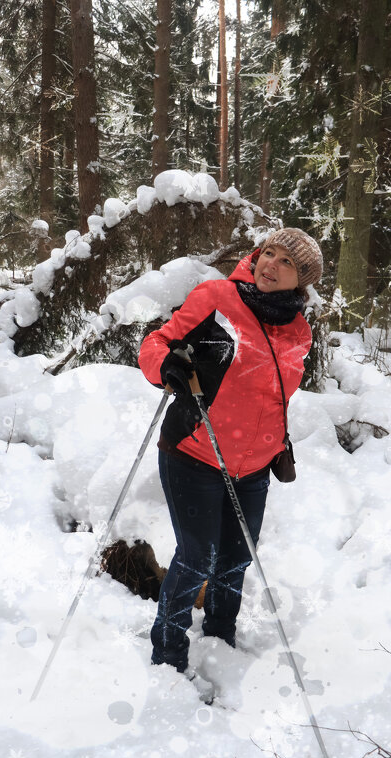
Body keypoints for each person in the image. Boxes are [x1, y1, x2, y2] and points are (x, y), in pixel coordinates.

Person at [138, 228, 323, 673]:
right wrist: (167, 366)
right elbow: (156, 342)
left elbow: (275, 397)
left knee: (237, 556)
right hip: (194, 452)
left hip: (255, 466)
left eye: (286, 263)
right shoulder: (216, 297)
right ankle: (167, 651)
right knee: (197, 556)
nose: (270, 264)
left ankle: (220, 636)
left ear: (300, 281)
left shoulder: (299, 331)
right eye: (268, 253)